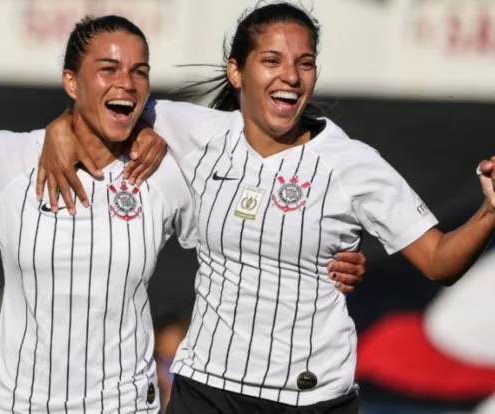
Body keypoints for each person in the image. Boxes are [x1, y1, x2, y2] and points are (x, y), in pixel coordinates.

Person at [0, 2, 369, 411]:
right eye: (107, 68)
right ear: (70, 81)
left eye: (139, 72)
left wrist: (339, 255)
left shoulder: (167, 170)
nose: (127, 83)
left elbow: (262, 222)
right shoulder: (8, 162)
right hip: (18, 405)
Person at [36, 2, 495, 413]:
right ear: (236, 72)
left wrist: (490, 210)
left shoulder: (352, 164)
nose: (291, 77)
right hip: (205, 390)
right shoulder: (197, 130)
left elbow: (439, 261)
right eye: (271, 60)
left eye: (305, 63)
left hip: (310, 399)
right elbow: (107, 105)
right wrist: (61, 129)